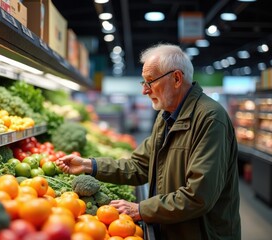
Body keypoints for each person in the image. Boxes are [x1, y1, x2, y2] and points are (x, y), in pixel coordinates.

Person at [57, 43, 241, 240]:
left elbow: (199, 196)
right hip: (172, 228)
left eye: (150, 82)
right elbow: (139, 165)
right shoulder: (167, 117)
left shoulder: (210, 119)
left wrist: (141, 209)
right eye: (143, 83)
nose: (145, 91)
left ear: (177, 78)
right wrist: (89, 165)